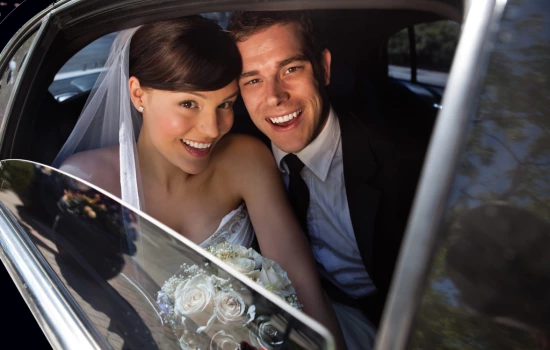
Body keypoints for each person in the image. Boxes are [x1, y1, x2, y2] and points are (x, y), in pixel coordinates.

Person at [52, 16, 345, 348]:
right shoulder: (83, 184)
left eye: (225, 105)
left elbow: (301, 287)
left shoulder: (246, 159)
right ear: (138, 94)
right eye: (189, 104)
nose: (212, 128)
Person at [228, 10, 428, 349]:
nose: (275, 96)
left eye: (290, 69)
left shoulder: (404, 162)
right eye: (253, 80)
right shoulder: (237, 155)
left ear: (323, 68)